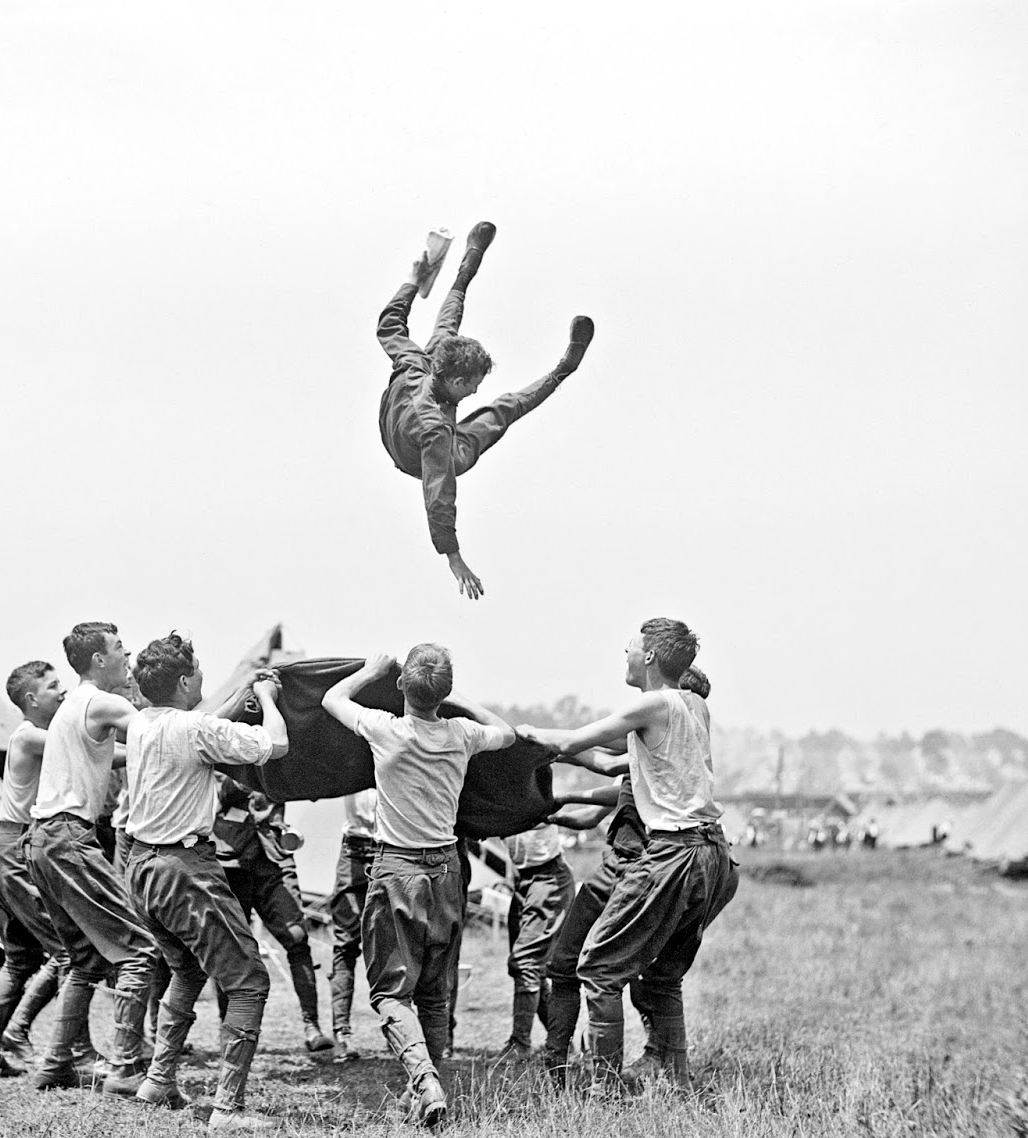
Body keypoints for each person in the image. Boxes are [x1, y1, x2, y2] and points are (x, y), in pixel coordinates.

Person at [520, 622, 737, 1093]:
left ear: (652, 657)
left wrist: (519, 735)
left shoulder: (652, 704)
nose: (625, 650)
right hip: (713, 853)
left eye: (632, 647)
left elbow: (570, 743)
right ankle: (675, 1076)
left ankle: (604, 1088)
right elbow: (607, 761)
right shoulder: (693, 706)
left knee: (598, 968)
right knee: (661, 975)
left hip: (673, 853)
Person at [322, 647, 515, 1128]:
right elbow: (508, 733)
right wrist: (462, 700)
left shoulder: (387, 730)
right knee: (433, 992)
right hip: (448, 871)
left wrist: (370, 671)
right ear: (444, 692)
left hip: (397, 871)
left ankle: (425, 1080)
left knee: (390, 993)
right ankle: (431, 1085)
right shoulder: (462, 733)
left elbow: (331, 698)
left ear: (402, 687)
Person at [121, 633, 291, 1132]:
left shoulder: (140, 723)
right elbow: (275, 745)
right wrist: (264, 700)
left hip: (141, 868)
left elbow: (205, 720)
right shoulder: (193, 728)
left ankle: (158, 1081)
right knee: (249, 981)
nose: (202, 678)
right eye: (197, 671)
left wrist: (242, 695)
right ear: (182, 681)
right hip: (183, 869)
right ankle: (227, 1109)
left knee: (188, 970)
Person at [376, 221, 595, 600]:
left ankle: (468, 264)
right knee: (504, 409)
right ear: (458, 382)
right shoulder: (437, 434)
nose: (477, 389)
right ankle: (564, 370)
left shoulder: (419, 360)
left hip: (404, 417)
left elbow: (389, 324)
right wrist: (453, 557)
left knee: (445, 323)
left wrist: (413, 281)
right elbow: (438, 496)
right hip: (415, 452)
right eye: (474, 383)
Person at [25, 622, 157, 1096]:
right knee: (140, 950)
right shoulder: (102, 702)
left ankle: (56, 1062)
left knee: (83, 959)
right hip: (68, 837)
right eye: (120, 649)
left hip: (42, 839)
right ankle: (126, 1068)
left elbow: (118, 755)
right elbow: (163, 733)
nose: (128, 655)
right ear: (99, 660)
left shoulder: (74, 708)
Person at [0, 661, 77, 1079]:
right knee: (71, 954)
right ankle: (66, 1050)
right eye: (52, 687)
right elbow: (85, 749)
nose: (62, 691)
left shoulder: (33, 737)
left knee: (19, 961)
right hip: (16, 849)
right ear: (32, 699)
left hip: (3, 846)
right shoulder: (31, 737)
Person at [213, 781, 336, 1052]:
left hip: (273, 858)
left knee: (297, 936)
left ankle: (311, 1026)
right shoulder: (224, 744)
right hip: (230, 860)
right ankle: (229, 1029)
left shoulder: (278, 745)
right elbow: (226, 792)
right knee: (230, 949)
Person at [495, 821, 574, 1061]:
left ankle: (520, 1044)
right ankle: (561, 1041)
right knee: (531, 970)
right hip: (524, 880)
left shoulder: (531, 786)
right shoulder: (498, 793)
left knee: (525, 963)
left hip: (548, 877)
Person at [328, 788, 378, 1062]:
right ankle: (342, 1034)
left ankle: (400, 1031)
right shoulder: (352, 749)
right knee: (345, 944)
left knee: (393, 946)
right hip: (353, 850)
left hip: (391, 851)